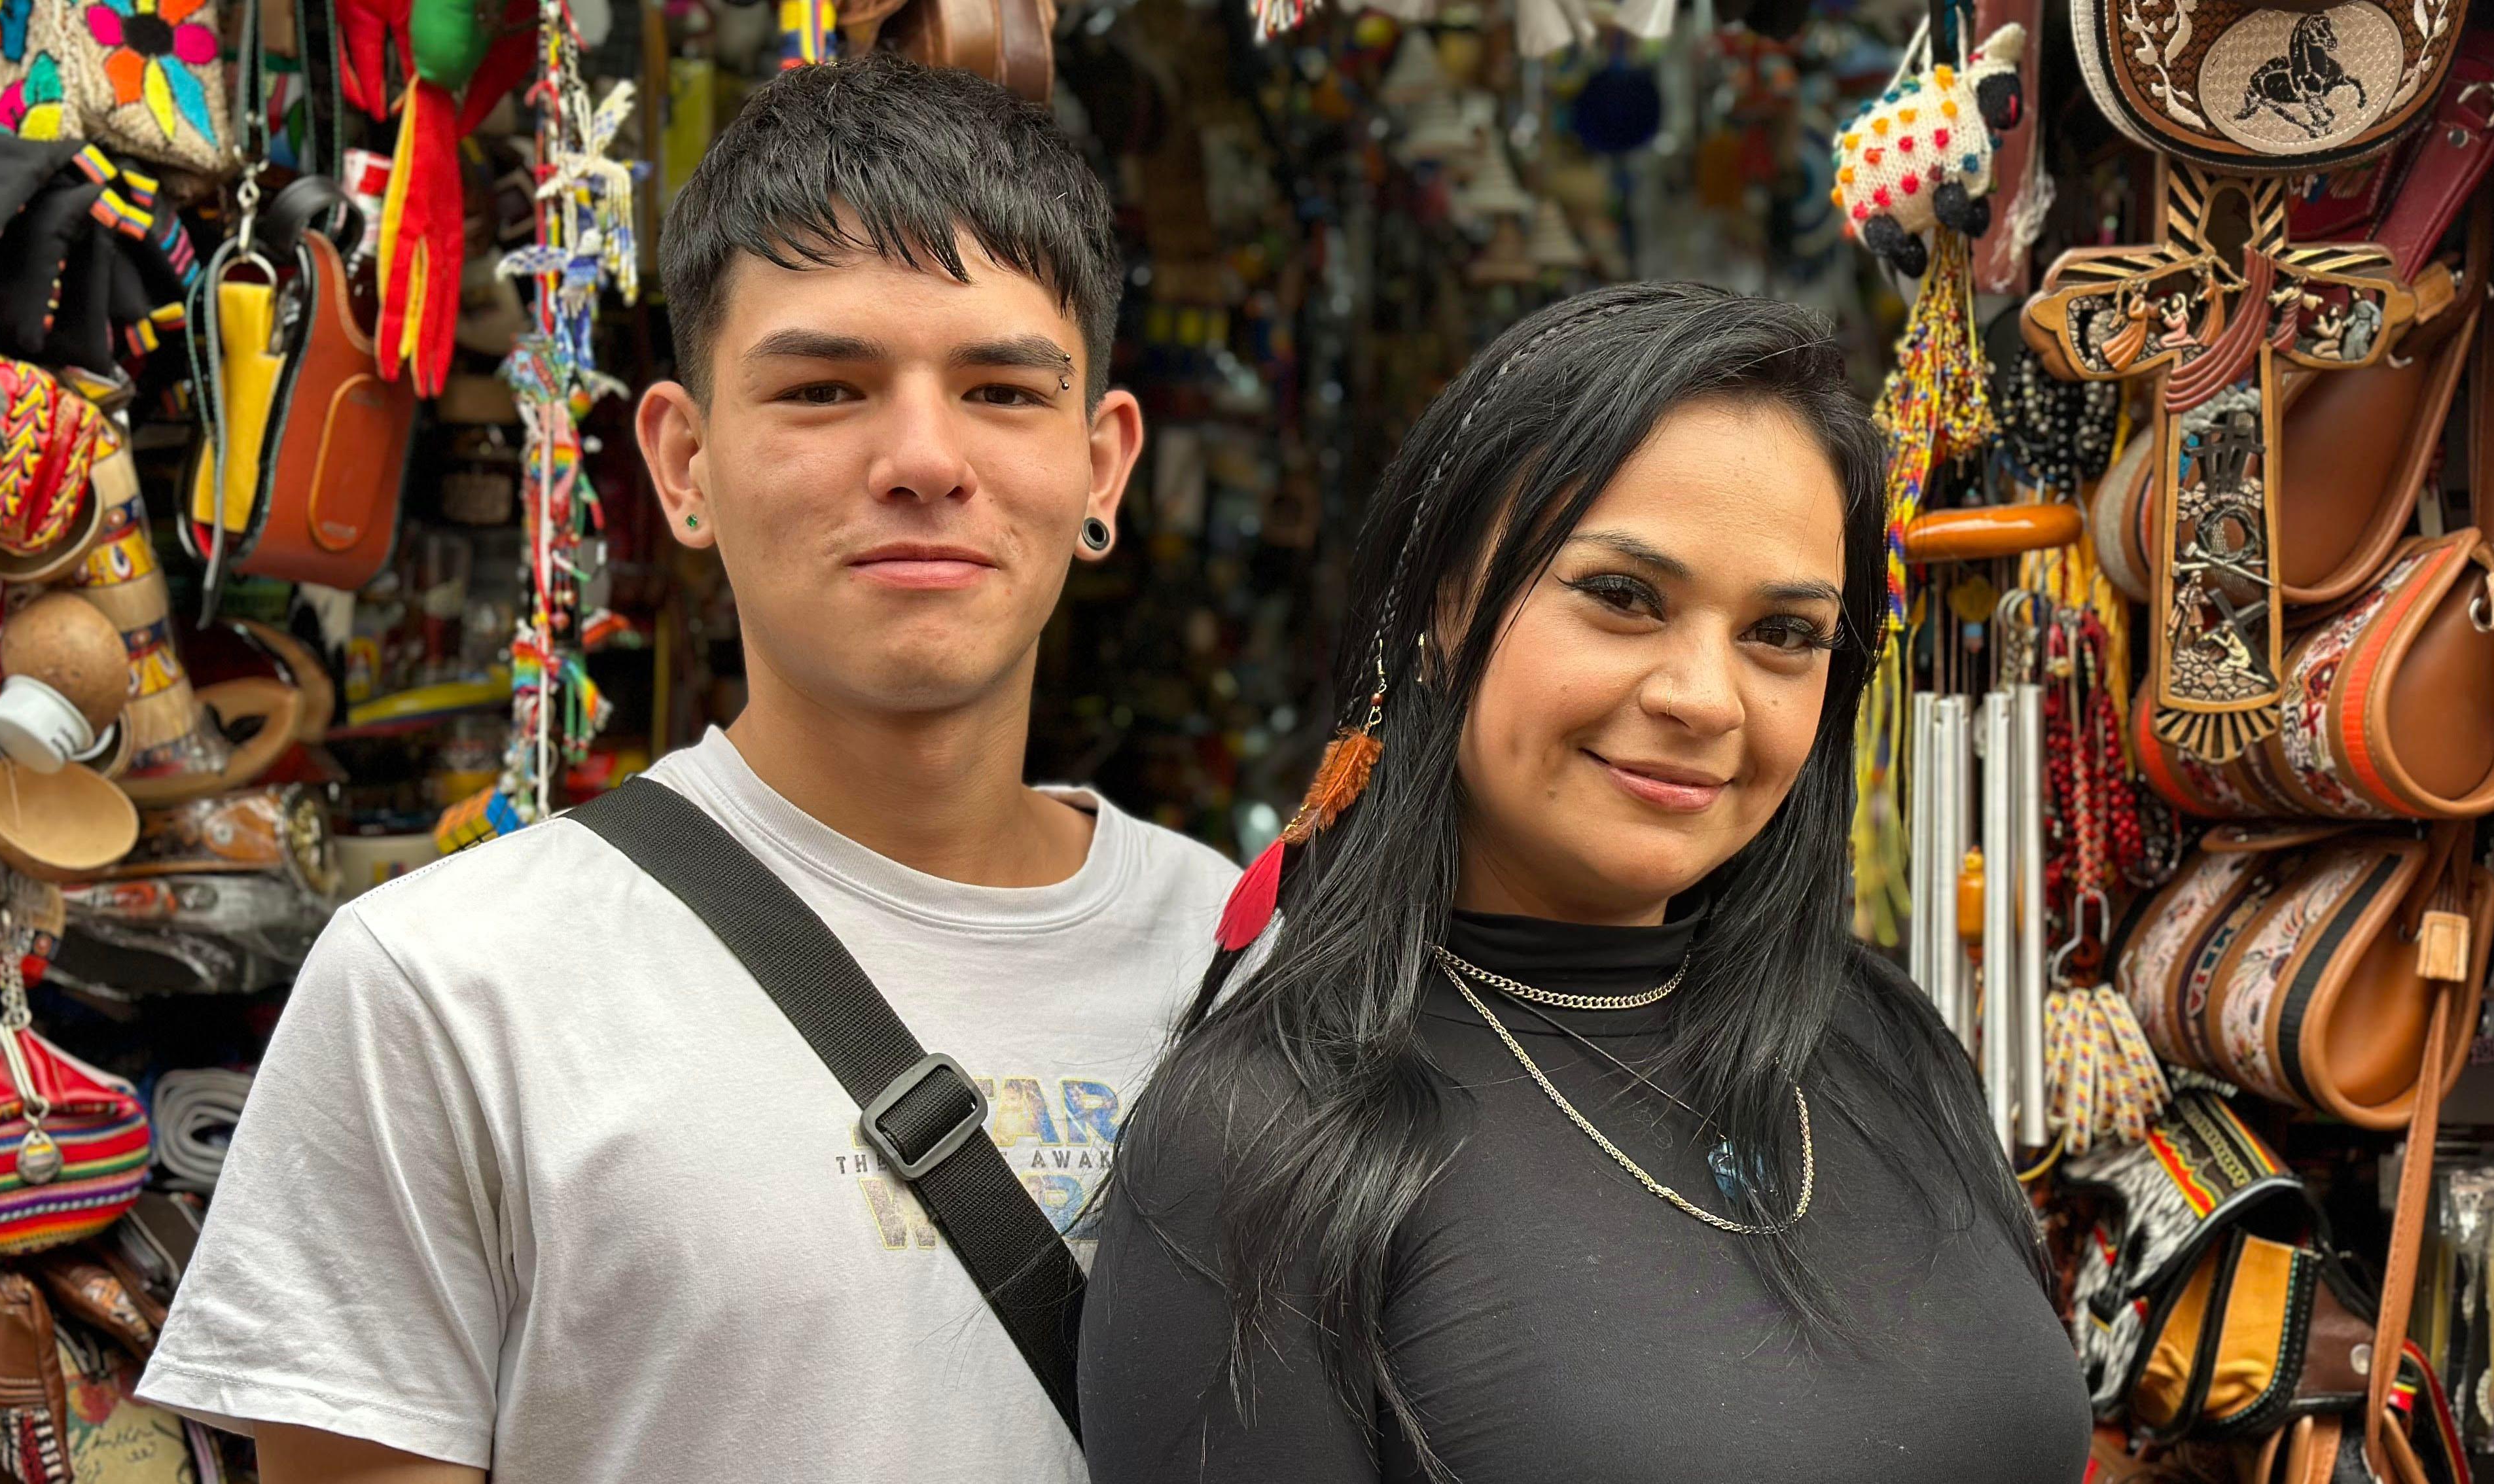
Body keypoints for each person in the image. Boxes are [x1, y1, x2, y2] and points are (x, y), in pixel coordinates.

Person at [135, 52, 1236, 1484]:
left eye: (1001, 391)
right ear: (682, 464)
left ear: (1102, 466)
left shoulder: (1242, 961)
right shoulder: (448, 992)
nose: (921, 457)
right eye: (826, 387)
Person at [1077, 283, 2091, 1482]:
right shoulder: (1261, 1150)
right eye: (1622, 598)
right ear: (1444, 605)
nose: (1705, 698)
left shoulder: (1884, 1041)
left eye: (1783, 634)